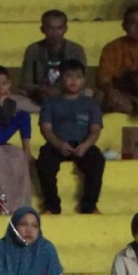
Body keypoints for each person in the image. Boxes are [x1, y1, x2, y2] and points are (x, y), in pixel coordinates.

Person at [38, 59, 105, 215]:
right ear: (61, 79)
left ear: (83, 80)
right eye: (69, 76)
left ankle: (89, 206)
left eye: (78, 77)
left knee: (97, 160)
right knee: (44, 161)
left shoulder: (90, 103)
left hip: (82, 144)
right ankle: (51, 206)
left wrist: (86, 145)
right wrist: (59, 144)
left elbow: (95, 130)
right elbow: (46, 129)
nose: (74, 80)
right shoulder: (51, 103)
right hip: (57, 144)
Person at [0, 66, 33, 213]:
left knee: (24, 116)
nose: (0, 87)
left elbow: (7, 121)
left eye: (4, 83)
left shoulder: (10, 103)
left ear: (9, 84)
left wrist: (3, 104)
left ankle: (27, 149)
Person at [19, 10, 88, 105]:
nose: (54, 33)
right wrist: (41, 90)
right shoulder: (33, 49)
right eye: (50, 28)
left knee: (88, 94)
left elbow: (81, 80)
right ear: (42, 29)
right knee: (13, 101)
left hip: (68, 94)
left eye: (59, 28)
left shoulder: (75, 50)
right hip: (39, 96)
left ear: (65, 29)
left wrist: (58, 89)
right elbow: (25, 83)